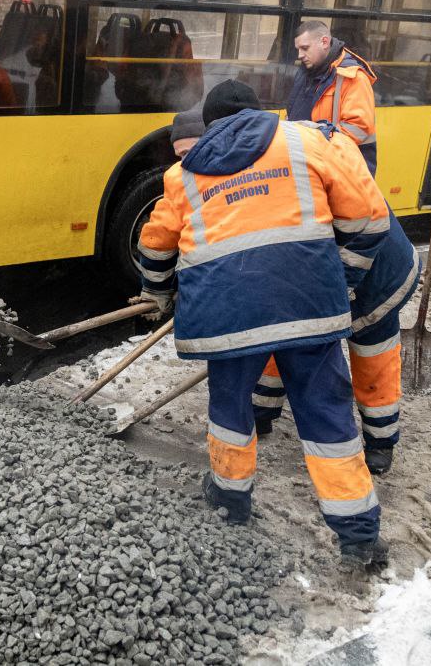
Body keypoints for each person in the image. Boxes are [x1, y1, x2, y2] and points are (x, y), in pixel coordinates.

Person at [135, 80, 392, 570]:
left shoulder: (183, 173)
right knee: (327, 417)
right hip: (307, 306)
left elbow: (155, 245)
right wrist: (342, 278)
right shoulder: (306, 141)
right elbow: (371, 219)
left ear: (210, 126)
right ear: (260, 112)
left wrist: (158, 292)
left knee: (230, 409)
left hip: (226, 317)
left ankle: (230, 503)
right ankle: (358, 537)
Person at [253, 155, 420, 476]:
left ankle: (380, 440)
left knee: (374, 357)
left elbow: (372, 224)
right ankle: (261, 410)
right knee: (282, 336)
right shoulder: (265, 181)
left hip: (379, 277)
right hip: (325, 271)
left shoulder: (309, 179)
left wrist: (336, 291)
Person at [288, 21, 378, 174]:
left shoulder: (353, 77)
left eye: (305, 48)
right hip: (313, 163)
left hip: (344, 169)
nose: (300, 55)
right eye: (298, 49)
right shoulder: (306, 71)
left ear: (324, 42)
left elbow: (359, 129)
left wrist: (312, 140)